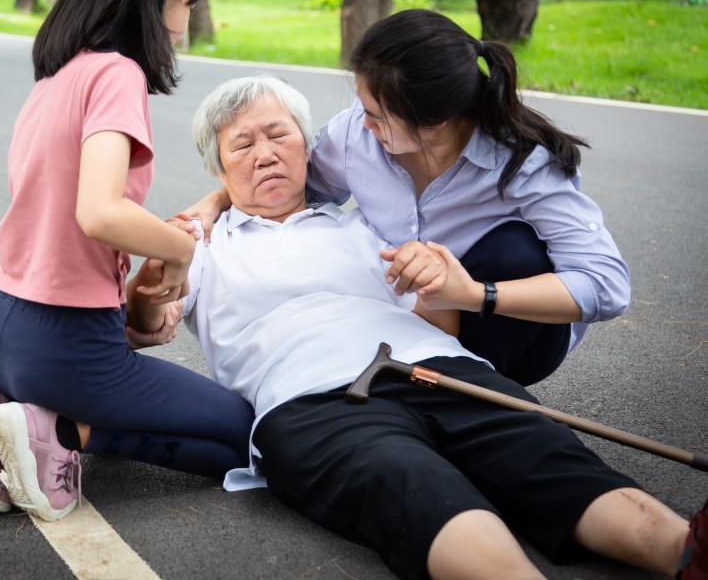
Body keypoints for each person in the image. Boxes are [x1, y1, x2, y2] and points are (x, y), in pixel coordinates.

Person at [134, 75, 707, 580]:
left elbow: (441, 324)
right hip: (309, 398)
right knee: (415, 487)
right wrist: (148, 289)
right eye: (243, 143)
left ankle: (686, 553)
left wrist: (436, 279)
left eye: (279, 135)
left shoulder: (362, 229)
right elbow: (148, 326)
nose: (265, 154)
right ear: (218, 166)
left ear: (308, 149)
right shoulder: (198, 244)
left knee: (547, 454)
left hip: (436, 366)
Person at [0, 0, 253, 523]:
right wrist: (183, 250)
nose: (185, 22)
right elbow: (100, 213)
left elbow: (65, 215)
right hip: (62, 350)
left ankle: (0, 413)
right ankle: (54, 431)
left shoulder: (59, 71)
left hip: (0, 328)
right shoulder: (116, 74)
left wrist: (126, 301)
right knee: (245, 435)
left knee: (203, 424)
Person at [186, 9, 630, 386]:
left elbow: (606, 287)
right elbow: (283, 185)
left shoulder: (524, 164)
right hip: (407, 328)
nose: (364, 126)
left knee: (514, 248)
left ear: (435, 123)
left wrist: (475, 294)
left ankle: (478, 394)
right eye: (363, 108)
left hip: (501, 322)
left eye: (378, 117)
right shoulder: (354, 137)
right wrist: (216, 201)